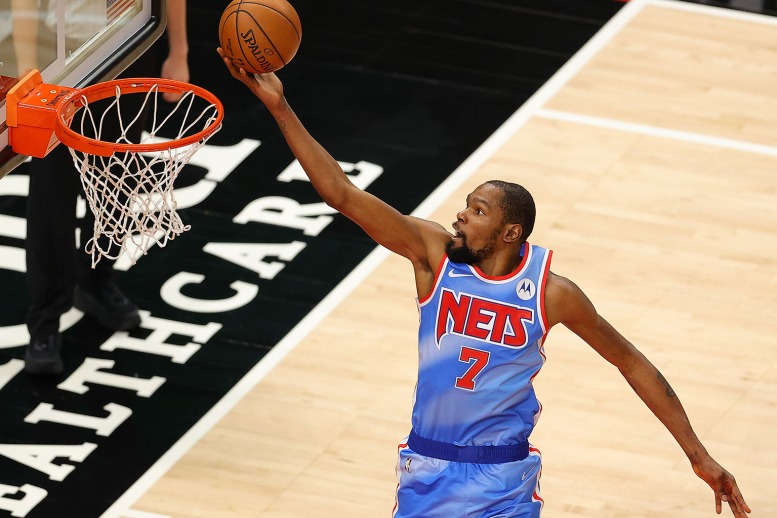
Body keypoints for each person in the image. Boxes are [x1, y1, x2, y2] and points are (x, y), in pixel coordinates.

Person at [217, 52, 751, 518]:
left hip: (505, 478)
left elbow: (631, 361)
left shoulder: (550, 292)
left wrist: (698, 454)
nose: (461, 216)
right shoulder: (434, 256)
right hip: (431, 470)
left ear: (510, 231)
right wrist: (280, 108)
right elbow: (342, 194)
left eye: (477, 210)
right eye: (466, 206)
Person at [23, 0, 190, 376]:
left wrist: (178, 50)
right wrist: (27, 74)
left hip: (128, 49)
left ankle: (96, 279)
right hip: (60, 59)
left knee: (116, 181)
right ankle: (45, 322)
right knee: (52, 197)